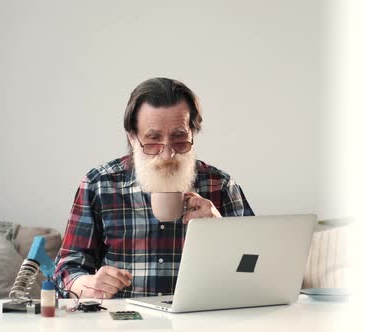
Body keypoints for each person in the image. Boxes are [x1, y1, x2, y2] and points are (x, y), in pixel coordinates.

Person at [53, 78, 254, 299]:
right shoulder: (99, 185)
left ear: (193, 133)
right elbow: (66, 268)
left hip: (201, 321)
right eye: (153, 139)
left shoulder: (220, 185)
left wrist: (222, 233)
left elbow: (257, 267)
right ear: (132, 136)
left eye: (179, 138)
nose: (168, 154)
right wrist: (88, 284)